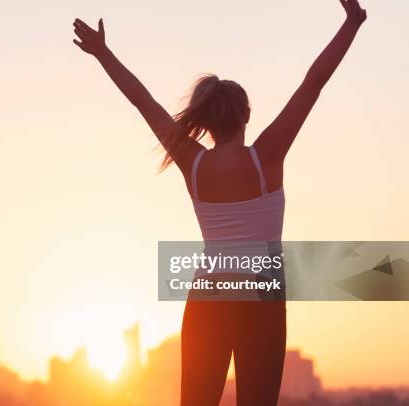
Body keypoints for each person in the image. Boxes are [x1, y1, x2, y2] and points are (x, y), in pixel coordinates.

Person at [72, 1, 366, 404]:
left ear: (206, 122)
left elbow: (145, 103)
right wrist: (353, 23)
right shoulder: (267, 158)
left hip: (207, 294)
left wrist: (104, 54)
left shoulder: (193, 163)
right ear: (247, 114)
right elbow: (313, 83)